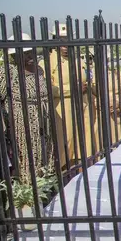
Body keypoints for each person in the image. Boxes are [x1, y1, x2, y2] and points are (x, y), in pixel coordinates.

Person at [0, 34, 54, 183]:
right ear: (14, 57)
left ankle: (44, 184)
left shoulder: (39, 70)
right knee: (27, 156)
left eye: (31, 52)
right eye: (25, 53)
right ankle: (28, 188)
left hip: (43, 122)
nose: (30, 56)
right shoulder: (8, 72)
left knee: (45, 154)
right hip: (22, 124)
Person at [46, 23, 100, 171]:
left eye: (67, 42)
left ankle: (84, 175)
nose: (65, 47)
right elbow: (48, 89)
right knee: (66, 144)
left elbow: (89, 78)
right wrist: (71, 89)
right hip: (63, 110)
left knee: (85, 143)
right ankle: (66, 177)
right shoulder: (48, 61)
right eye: (61, 43)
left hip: (84, 106)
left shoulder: (78, 60)